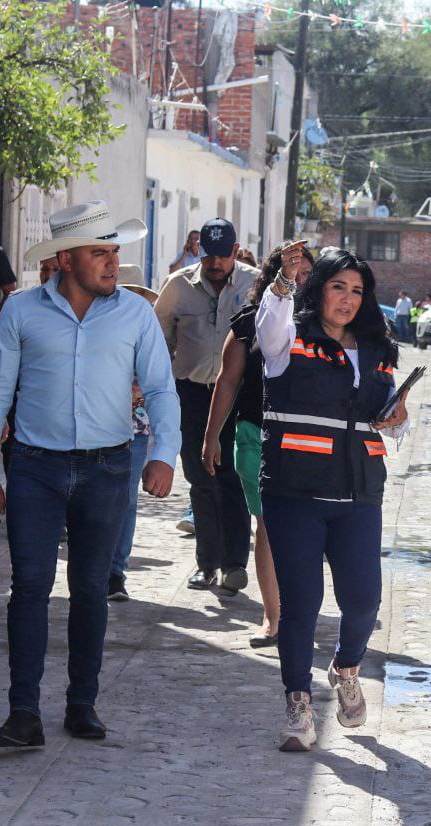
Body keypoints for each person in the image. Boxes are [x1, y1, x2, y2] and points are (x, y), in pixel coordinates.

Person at [0, 201, 180, 748]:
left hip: (107, 467)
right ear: (65, 259)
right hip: (33, 467)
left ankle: (82, 703)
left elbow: (160, 388)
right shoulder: (21, 311)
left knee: (90, 588)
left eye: (114, 251)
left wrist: (164, 452)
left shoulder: (135, 315)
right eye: (100, 253)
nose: (114, 262)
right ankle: (24, 713)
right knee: (30, 585)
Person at [255, 246, 409, 751]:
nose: (347, 299)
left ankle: (346, 667)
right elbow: (267, 326)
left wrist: (398, 419)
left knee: (364, 600)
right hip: (294, 491)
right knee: (302, 603)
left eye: (357, 291)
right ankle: (298, 704)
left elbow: (390, 424)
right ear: (318, 288)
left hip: (359, 493)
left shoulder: (377, 349)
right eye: (337, 287)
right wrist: (283, 282)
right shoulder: (289, 338)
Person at [202, 241, 312, 647]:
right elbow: (227, 381)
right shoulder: (249, 323)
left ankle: (297, 610)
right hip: (255, 435)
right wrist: (211, 436)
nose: (301, 279)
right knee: (267, 523)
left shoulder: (325, 327)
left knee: (304, 528)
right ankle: (273, 617)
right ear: (272, 276)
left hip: (309, 441)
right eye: (293, 270)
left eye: (307, 273)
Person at [155, 218, 257, 596]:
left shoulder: (255, 284)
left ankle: (234, 564)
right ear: (200, 251)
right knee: (201, 478)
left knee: (234, 477)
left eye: (223, 256)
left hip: (239, 397)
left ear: (236, 251)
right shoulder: (177, 285)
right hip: (192, 394)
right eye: (209, 255)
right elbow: (158, 337)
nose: (215, 263)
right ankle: (207, 564)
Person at [108, 266, 160, 603]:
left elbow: (157, 381)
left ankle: (116, 571)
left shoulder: (149, 331)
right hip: (98, 426)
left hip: (136, 429)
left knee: (126, 500)